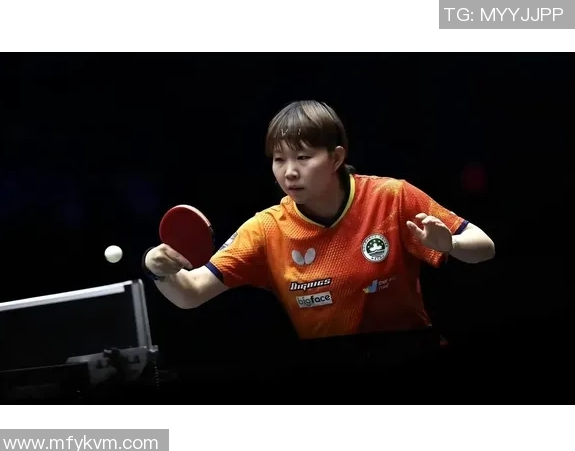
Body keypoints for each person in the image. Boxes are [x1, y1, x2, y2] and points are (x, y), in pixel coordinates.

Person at [143, 100, 495, 343]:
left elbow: (484, 247)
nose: (289, 172)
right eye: (279, 159)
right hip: (330, 371)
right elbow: (191, 293)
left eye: (303, 157)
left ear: (336, 158)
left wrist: (451, 244)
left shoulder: (391, 197)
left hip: (410, 358)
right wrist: (158, 269)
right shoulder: (268, 229)